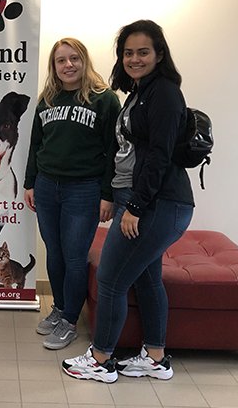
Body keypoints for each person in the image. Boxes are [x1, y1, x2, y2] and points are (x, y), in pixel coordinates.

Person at [62, 20, 194, 383]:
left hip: (156, 204)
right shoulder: (139, 91)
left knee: (110, 279)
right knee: (147, 280)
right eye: (128, 53)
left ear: (159, 54)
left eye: (143, 52)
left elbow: (160, 156)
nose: (135, 59)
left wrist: (135, 207)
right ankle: (155, 358)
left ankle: (102, 359)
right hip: (143, 200)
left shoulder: (165, 93)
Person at [24, 38, 120, 351]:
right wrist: (30, 183)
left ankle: (69, 320)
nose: (68, 65)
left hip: (84, 190)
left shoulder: (104, 99)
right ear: (54, 66)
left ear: (84, 61)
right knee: (55, 252)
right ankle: (60, 308)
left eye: (74, 58)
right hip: (47, 186)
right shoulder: (47, 99)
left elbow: (114, 152)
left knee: (75, 257)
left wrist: (108, 194)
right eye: (61, 60)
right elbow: (36, 144)